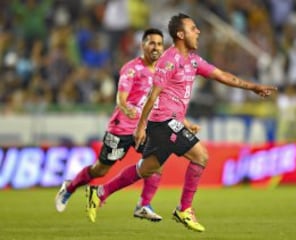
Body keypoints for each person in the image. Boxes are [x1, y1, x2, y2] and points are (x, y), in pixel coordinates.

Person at [86, 13, 277, 232]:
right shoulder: (169, 60)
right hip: (162, 123)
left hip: (171, 122)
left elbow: (222, 76)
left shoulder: (193, 60)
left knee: (147, 169)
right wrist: (140, 127)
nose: (198, 32)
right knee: (201, 155)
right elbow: (153, 95)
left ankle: (100, 193)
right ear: (180, 34)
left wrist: (252, 87)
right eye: (193, 28)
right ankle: (184, 208)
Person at [55, 28, 165, 222]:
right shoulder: (132, 68)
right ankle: (70, 187)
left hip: (144, 129)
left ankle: (143, 205)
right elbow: (120, 96)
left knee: (156, 161)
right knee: (101, 169)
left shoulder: (162, 72)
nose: (156, 47)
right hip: (121, 128)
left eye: (159, 44)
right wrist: (124, 107)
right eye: (152, 43)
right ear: (143, 45)